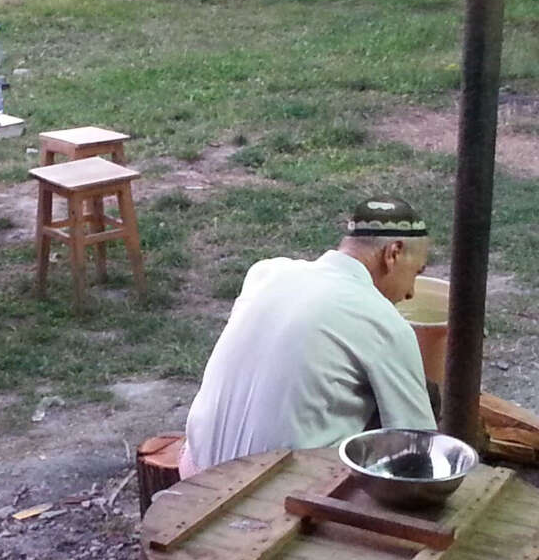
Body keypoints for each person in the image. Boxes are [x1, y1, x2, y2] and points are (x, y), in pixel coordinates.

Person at [181, 198, 437, 476]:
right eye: (416, 273)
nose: (411, 292)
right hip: (273, 491)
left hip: (196, 472)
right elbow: (416, 446)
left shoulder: (266, 273)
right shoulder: (384, 321)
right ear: (393, 253)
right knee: (416, 409)